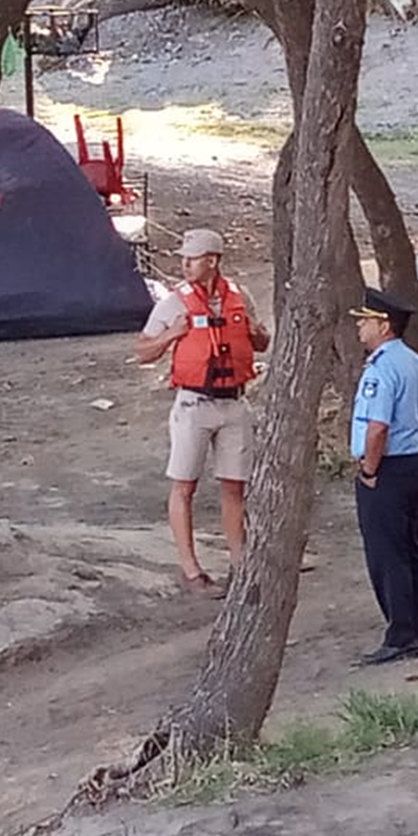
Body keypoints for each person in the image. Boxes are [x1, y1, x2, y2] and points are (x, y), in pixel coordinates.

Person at [136, 227, 270, 597]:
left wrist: (258, 335)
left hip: (233, 403)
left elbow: (260, 342)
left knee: (234, 485)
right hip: (193, 404)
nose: (184, 264)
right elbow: (143, 351)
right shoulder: (174, 303)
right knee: (184, 485)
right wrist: (171, 335)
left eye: (191, 258)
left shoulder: (239, 296)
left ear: (212, 261)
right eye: (183, 258)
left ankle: (240, 565)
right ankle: (191, 570)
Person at [350, 287, 418, 666]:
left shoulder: (383, 368)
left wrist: (370, 469)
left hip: (387, 468)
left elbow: (377, 428)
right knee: (410, 547)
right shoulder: (414, 361)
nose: (360, 329)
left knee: (387, 553)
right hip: (414, 462)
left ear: (383, 325)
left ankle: (401, 633)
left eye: (365, 322)